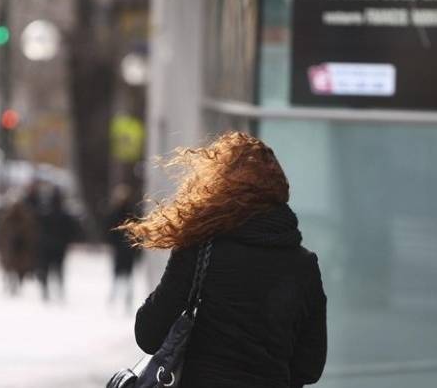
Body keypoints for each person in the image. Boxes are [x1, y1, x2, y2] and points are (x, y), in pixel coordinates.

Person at [119, 132, 327, 388]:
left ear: (218, 189)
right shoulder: (303, 266)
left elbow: (149, 336)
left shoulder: (198, 250)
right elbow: (310, 366)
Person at [36, 187, 76, 301]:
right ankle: (58, 291)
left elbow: (39, 230)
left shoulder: (45, 214)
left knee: (47, 270)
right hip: (58, 247)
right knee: (58, 270)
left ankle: (47, 291)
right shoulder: (64, 215)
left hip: (48, 246)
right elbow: (71, 231)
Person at [106, 184, 140, 311]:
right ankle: (120, 299)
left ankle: (122, 299)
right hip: (126, 250)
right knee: (124, 275)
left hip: (124, 250)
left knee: (122, 275)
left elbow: (109, 231)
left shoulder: (122, 213)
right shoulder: (132, 214)